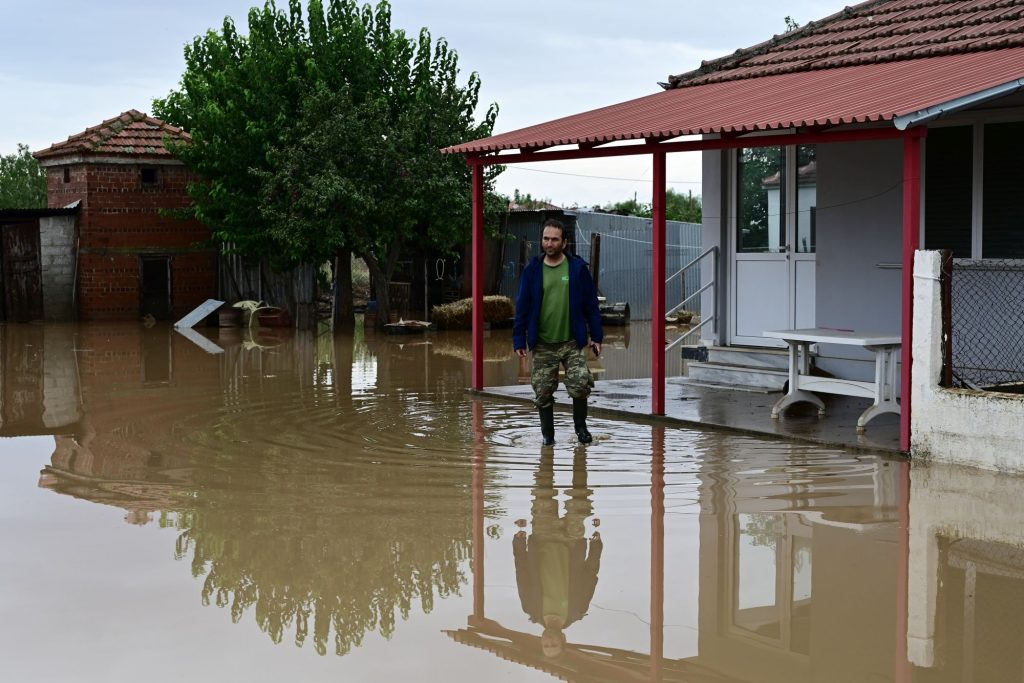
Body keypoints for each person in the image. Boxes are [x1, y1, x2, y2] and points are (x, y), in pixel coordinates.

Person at [513, 218, 603, 445]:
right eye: (546, 239)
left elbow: (591, 305)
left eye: (554, 239)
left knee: (581, 383)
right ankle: (548, 437)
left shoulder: (577, 269)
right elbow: (522, 306)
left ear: (564, 243)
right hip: (542, 343)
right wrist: (518, 340)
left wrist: (597, 336)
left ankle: (581, 428)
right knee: (542, 391)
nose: (549, 243)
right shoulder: (532, 270)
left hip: (572, 341)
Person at [513, 446, 602, 658]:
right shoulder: (578, 610)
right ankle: (581, 452)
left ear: (541, 641)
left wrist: (518, 542)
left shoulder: (530, 608)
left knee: (543, 492)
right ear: (563, 640)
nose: (549, 642)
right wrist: (596, 546)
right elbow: (591, 575)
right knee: (580, 497)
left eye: (546, 646)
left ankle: (546, 448)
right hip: (574, 543)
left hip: (542, 539)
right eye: (554, 645)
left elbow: (521, 572)